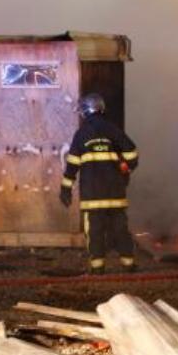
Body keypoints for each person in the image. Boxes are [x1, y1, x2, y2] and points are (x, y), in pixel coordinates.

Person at [59, 92, 139, 274]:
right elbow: (132, 155)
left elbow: (72, 164)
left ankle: (98, 268)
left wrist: (66, 188)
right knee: (121, 230)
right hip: (116, 194)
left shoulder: (81, 134)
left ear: (86, 111)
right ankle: (128, 264)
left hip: (92, 196)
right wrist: (124, 169)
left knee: (94, 231)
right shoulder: (113, 130)